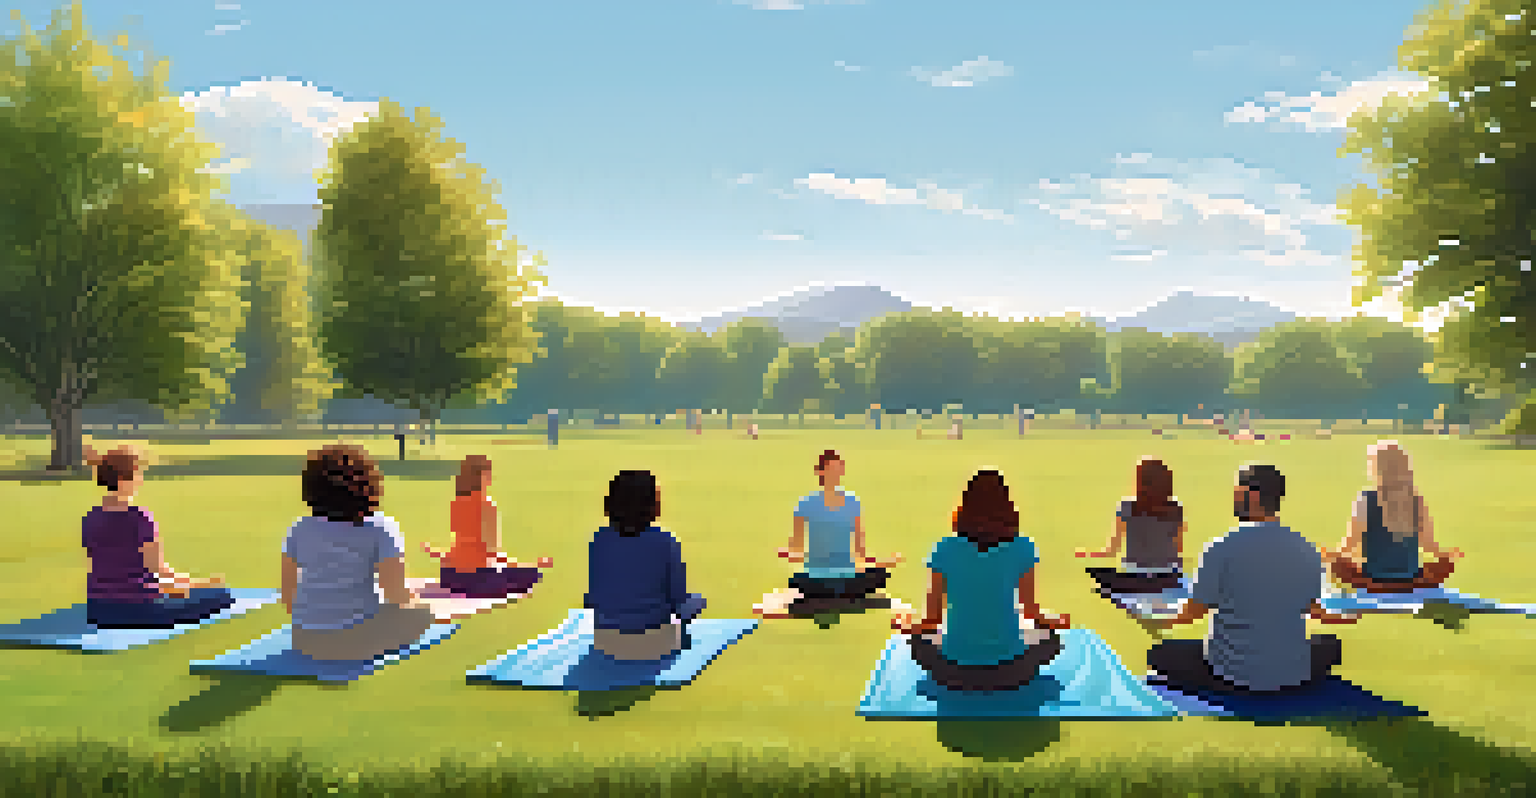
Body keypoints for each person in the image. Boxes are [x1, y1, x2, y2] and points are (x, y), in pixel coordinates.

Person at [1144, 465, 1360, 694]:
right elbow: (1313, 610)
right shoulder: (1306, 549)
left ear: (1253, 496)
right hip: (1290, 672)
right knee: (1330, 646)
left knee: (1159, 654)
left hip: (1230, 673)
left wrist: (1160, 617)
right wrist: (1344, 617)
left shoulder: (1220, 547)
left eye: (1238, 493)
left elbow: (1194, 612)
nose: (1234, 498)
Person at [892, 469, 1071, 691]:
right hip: (1011, 670)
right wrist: (1056, 622)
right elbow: (1032, 613)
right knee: (1052, 641)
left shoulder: (944, 548)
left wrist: (905, 624)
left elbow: (932, 620)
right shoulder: (1023, 547)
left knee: (917, 644)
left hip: (953, 670)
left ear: (964, 507)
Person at [282, 444, 437, 661]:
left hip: (304, 640)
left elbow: (288, 594)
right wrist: (416, 603)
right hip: (358, 640)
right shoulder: (380, 526)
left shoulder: (299, 528)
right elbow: (396, 594)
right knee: (423, 613)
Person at [81, 445, 234, 629]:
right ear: (123, 480)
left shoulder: (90, 517)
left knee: (182, 594)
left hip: (98, 610)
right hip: (140, 609)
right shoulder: (139, 517)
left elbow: (110, 568)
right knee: (221, 594)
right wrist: (199, 584)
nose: (140, 480)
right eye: (137, 474)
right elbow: (158, 569)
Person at [585, 470, 707, 660]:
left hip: (605, 641)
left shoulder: (599, 538)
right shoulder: (665, 541)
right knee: (697, 601)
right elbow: (679, 601)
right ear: (651, 506)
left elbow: (592, 597)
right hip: (654, 641)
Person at [1321, 440, 1463, 594]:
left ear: (1376, 468)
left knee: (1336, 564)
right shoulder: (1416, 500)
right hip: (1411, 579)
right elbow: (1428, 545)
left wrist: (1332, 557)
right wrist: (1446, 557)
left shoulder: (1366, 499)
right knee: (1440, 567)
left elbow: (1351, 544)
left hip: (1374, 579)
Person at [779, 450, 902, 607]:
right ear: (820, 472)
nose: (835, 474)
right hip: (821, 576)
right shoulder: (805, 505)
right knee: (803, 580)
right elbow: (796, 550)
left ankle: (829, 591)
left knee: (880, 574)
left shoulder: (852, 503)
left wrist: (883, 563)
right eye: (832, 470)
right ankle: (842, 591)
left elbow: (860, 553)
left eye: (838, 469)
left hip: (837, 577)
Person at [422, 455, 553, 598]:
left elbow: (462, 546)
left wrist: (441, 554)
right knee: (531, 575)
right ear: (482, 477)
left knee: (514, 574)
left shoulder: (456, 503)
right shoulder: (487, 505)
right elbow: (492, 554)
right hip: (475, 580)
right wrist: (530, 566)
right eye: (488, 474)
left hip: (449, 577)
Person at [1075, 458, 1186, 594]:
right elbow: (1178, 549)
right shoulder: (1175, 508)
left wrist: (1089, 554)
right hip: (1169, 577)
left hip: (1135, 576)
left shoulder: (1127, 507)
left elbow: (1112, 551)